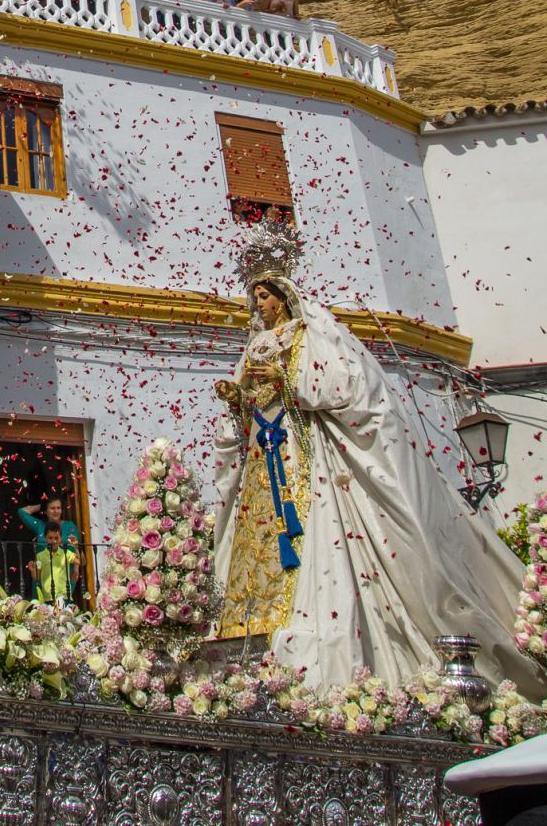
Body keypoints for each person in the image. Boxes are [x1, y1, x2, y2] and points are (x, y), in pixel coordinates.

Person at [213, 220, 546, 701]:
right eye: (255, 298)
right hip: (265, 458)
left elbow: (346, 385)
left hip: (306, 450)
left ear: (284, 295)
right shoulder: (254, 344)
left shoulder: (313, 334)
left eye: (266, 295)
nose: (260, 305)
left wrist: (287, 383)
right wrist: (236, 396)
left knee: (326, 540)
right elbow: (250, 398)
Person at [28, 522, 79, 605]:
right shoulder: (40, 556)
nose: (53, 541)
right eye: (50, 538)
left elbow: (80, 561)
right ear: (45, 538)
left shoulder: (66, 553)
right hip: (47, 597)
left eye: (56, 538)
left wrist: (76, 548)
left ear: (61, 538)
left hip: (64, 597)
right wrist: (33, 570)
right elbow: (37, 577)